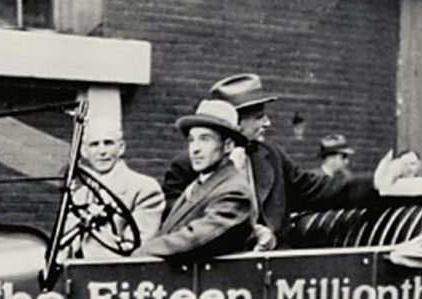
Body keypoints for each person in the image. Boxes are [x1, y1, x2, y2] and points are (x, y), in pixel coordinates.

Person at [162, 73, 402, 248]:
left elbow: (315, 188)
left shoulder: (271, 155)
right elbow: (179, 224)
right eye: (259, 117)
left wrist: (375, 184)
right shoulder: (189, 166)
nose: (267, 123)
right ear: (233, 123)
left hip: (276, 268)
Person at [137, 100, 253, 259]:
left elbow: (195, 237)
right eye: (191, 140)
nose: (195, 149)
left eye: (205, 139)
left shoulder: (234, 191)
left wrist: (142, 253)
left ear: (228, 146)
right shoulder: (200, 184)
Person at [67, 113, 165, 258]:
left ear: (121, 148)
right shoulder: (79, 196)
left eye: (108, 143)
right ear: (84, 151)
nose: (102, 152)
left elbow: (135, 249)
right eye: (94, 144)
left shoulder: (144, 189)